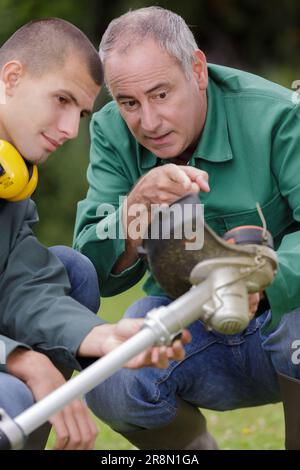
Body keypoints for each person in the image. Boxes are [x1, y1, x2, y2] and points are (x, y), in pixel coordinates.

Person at [73, 6, 300, 450]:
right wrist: (135, 208)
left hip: (283, 319)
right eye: (129, 103)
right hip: (185, 327)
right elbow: (91, 270)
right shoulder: (110, 133)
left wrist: (262, 276)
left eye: (161, 94)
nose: (149, 123)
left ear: (196, 70)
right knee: (112, 374)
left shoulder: (276, 115)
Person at [0, 18, 189, 451]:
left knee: (69, 270)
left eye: (81, 113)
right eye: (61, 100)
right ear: (12, 78)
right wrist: (19, 358)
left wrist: (101, 337)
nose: (70, 130)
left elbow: (23, 286)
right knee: (12, 396)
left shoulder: (13, 184)